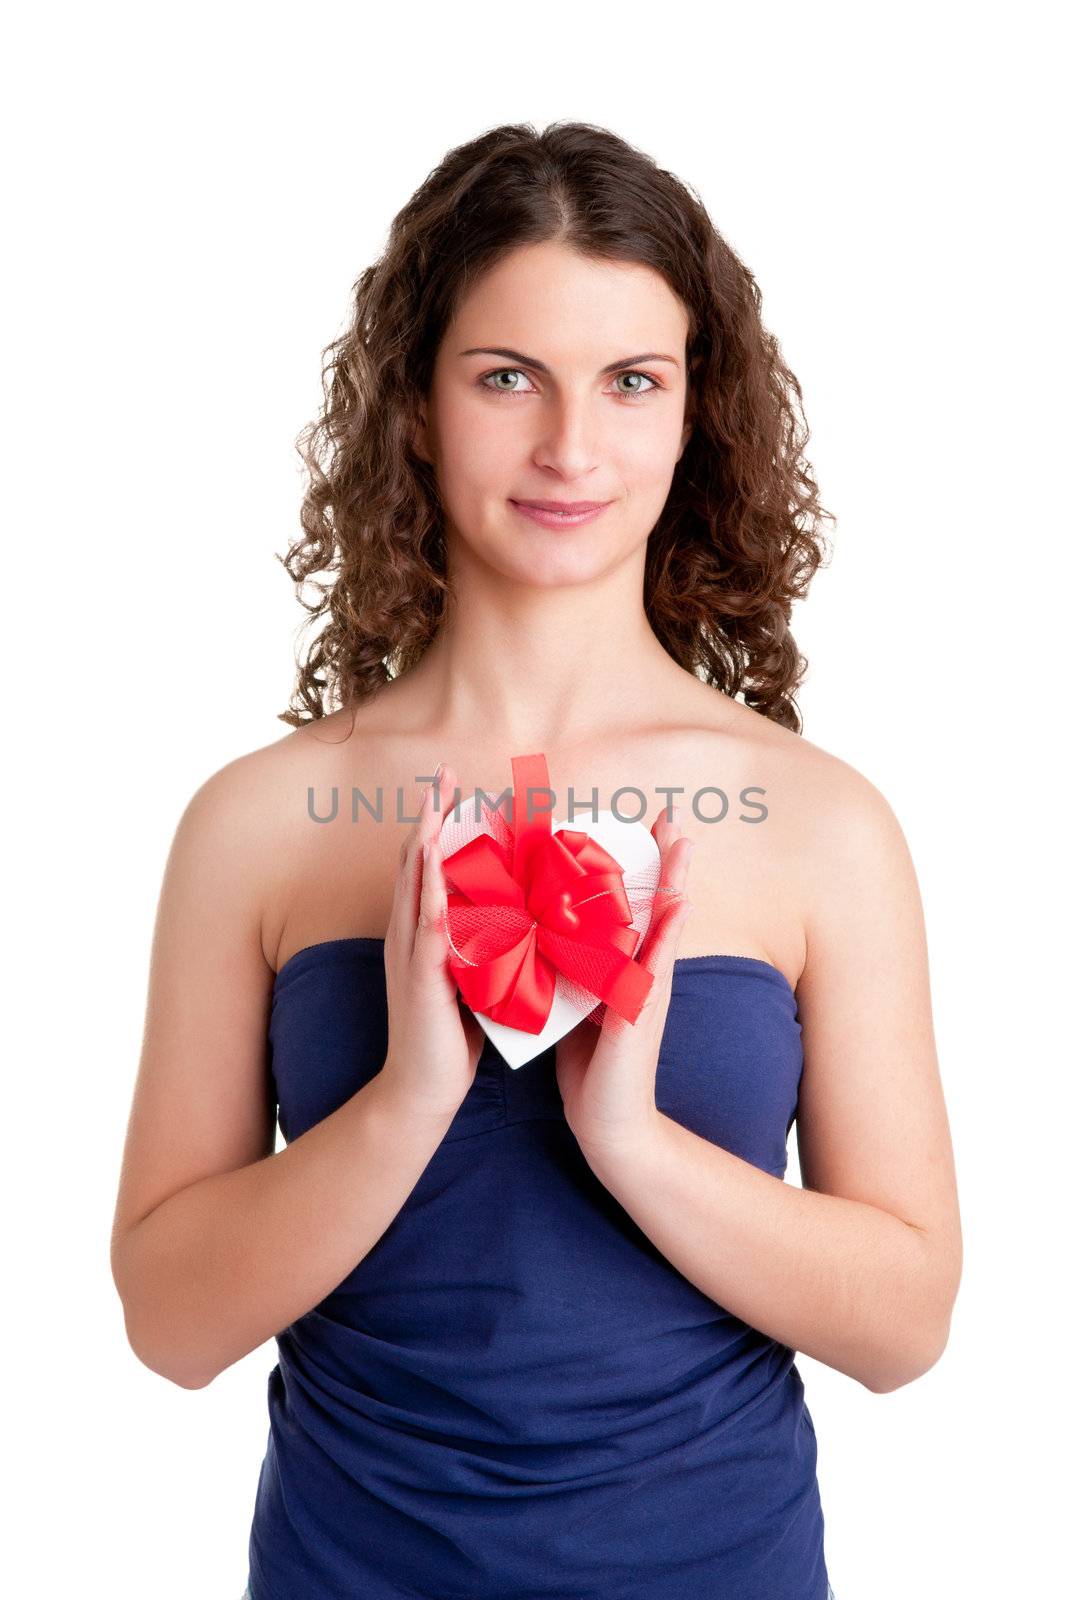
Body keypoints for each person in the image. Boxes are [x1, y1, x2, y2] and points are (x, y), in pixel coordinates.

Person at [109, 120, 962, 1600]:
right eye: (508, 377)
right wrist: (408, 1098)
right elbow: (169, 1326)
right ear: (419, 408)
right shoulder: (257, 821)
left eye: (633, 381)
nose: (572, 447)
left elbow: (907, 1327)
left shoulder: (820, 823)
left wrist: (630, 1139)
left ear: (698, 414)